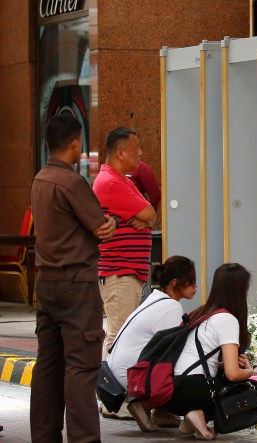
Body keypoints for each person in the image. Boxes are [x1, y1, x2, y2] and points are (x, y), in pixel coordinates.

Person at [30, 113, 117, 443]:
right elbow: (100, 226)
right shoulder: (71, 182)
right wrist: (109, 224)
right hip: (76, 284)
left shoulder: (40, 178)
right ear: (76, 143)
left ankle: (44, 436)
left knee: (47, 366)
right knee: (82, 368)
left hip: (47, 282)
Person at [165, 263, 257, 440]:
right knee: (255, 388)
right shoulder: (227, 319)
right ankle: (199, 411)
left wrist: (220, 364)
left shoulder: (202, 312)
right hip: (194, 389)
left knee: (222, 378)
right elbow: (233, 374)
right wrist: (249, 371)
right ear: (238, 290)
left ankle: (193, 417)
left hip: (173, 391)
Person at [105, 255, 197, 431]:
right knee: (186, 369)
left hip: (113, 373)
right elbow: (175, 354)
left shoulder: (155, 298)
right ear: (176, 283)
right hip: (129, 379)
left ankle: (162, 412)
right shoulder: (171, 307)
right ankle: (144, 405)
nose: (196, 287)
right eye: (191, 282)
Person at [92, 128, 156, 354]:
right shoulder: (111, 182)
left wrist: (145, 221)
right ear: (120, 153)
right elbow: (148, 213)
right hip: (120, 272)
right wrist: (144, 219)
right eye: (135, 148)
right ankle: (108, 387)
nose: (140, 152)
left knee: (125, 334)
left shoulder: (123, 180)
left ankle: (114, 385)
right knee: (120, 336)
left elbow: (150, 216)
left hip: (127, 272)